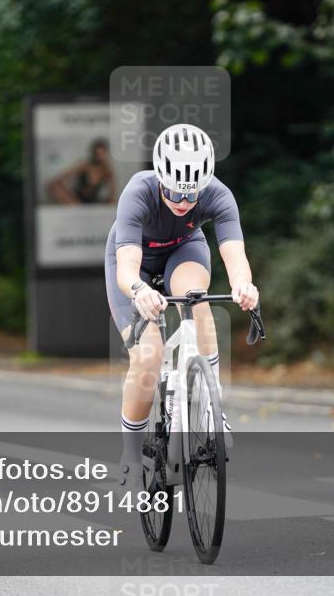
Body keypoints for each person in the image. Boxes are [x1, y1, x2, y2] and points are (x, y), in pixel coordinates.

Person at [104, 124, 259, 489]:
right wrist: (139, 290)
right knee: (148, 357)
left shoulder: (219, 195)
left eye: (192, 193)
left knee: (196, 299)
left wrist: (243, 285)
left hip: (183, 250)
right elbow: (126, 269)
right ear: (160, 177)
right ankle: (131, 454)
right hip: (134, 264)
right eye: (175, 192)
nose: (184, 202)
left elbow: (235, 255)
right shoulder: (138, 192)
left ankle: (210, 407)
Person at [47, 138, 117, 204]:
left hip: (93, 201)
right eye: (98, 154)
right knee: (54, 186)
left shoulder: (107, 169)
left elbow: (112, 190)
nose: (100, 157)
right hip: (77, 200)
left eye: (102, 154)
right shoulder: (85, 165)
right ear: (94, 154)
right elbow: (64, 175)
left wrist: (110, 199)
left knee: (113, 201)